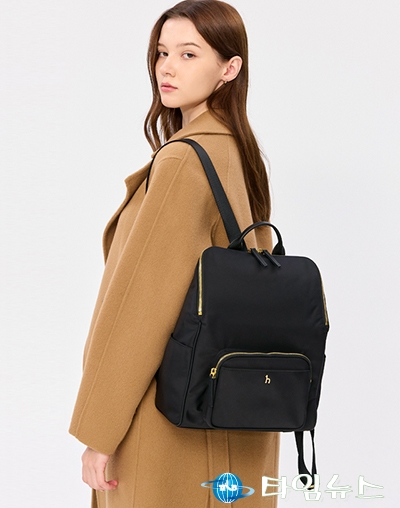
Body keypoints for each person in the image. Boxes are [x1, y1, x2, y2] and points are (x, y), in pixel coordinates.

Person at [69, 1, 280, 507]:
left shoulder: (185, 161)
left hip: (172, 425)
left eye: (189, 54)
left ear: (229, 68)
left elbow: (141, 306)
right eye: (162, 52)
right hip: (239, 412)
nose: (167, 67)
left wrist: (100, 430)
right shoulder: (237, 150)